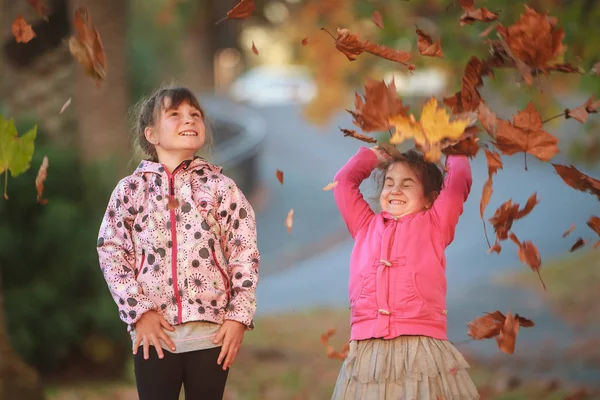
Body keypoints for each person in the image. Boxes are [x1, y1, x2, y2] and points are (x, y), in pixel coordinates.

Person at [97, 86, 259, 400]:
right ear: (152, 134)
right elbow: (111, 250)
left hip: (211, 334)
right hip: (154, 333)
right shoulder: (131, 190)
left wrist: (239, 316)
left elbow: (244, 250)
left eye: (195, 114)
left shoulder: (221, 188)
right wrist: (139, 312)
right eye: (175, 115)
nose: (189, 120)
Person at [331, 145, 479, 399]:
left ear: (430, 198)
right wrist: (371, 157)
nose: (395, 190)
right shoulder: (365, 226)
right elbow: (343, 183)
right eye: (389, 183)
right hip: (368, 352)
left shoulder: (435, 224)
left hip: (420, 346)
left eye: (407, 184)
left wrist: (450, 148)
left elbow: (459, 181)